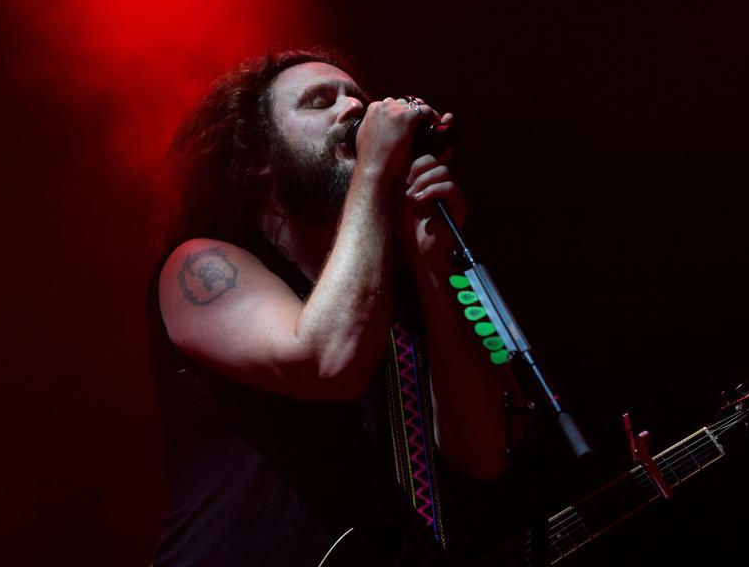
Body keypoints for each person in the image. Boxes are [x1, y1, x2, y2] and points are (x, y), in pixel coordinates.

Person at [147, 48, 518, 566]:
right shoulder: (201, 263)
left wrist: (433, 261)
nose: (352, 112)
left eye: (358, 101)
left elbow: (482, 454)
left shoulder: (396, 303)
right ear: (257, 157)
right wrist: (372, 169)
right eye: (319, 102)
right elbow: (325, 363)